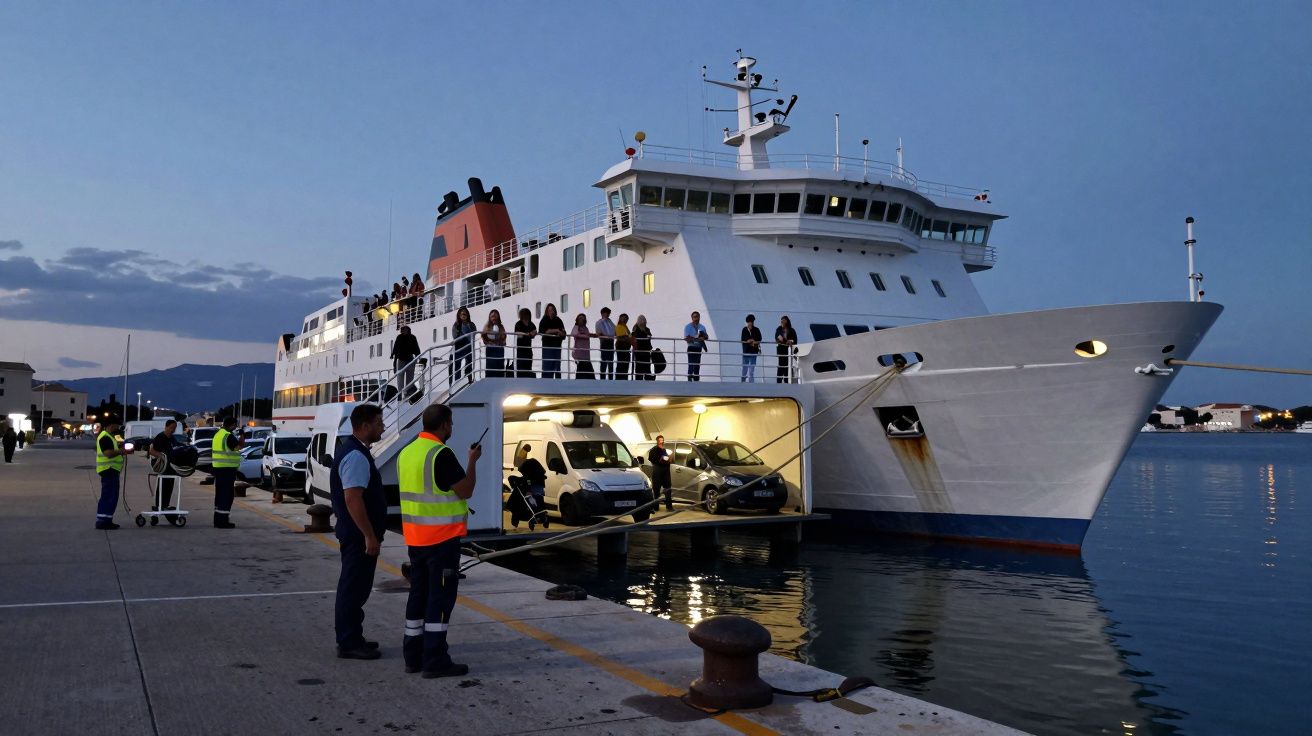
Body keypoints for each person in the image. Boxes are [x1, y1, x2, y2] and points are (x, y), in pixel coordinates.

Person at [399, 403, 480, 678]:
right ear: (445, 424)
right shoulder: (440, 454)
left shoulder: (406, 453)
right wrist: (472, 460)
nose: (452, 429)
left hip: (415, 539)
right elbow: (465, 490)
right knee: (440, 599)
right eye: (451, 424)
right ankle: (435, 659)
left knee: (418, 595)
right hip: (442, 541)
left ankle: (413, 656)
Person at [331, 403, 388, 661]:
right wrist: (369, 535)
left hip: (355, 534)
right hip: (357, 536)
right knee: (353, 589)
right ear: (365, 426)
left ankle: (353, 636)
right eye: (379, 423)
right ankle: (349, 642)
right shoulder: (355, 456)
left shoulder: (354, 451)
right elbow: (353, 499)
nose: (383, 427)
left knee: (356, 588)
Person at [94, 415, 132, 529]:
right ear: (111, 425)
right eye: (116, 425)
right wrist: (122, 451)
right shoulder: (105, 437)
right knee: (109, 496)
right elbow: (108, 453)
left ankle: (106, 519)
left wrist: (121, 447)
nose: (117, 427)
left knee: (110, 495)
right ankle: (103, 521)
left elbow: (112, 449)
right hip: (109, 470)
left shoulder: (109, 436)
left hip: (110, 470)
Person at [210, 416, 242, 528]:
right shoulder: (228, 436)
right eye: (235, 425)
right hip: (227, 469)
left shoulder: (218, 434)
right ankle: (223, 521)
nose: (236, 427)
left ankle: (217, 520)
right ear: (232, 425)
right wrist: (242, 436)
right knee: (227, 495)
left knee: (219, 495)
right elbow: (239, 447)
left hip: (218, 468)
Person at [149, 419, 180, 511]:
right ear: (166, 427)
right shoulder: (160, 437)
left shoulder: (172, 438)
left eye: (174, 428)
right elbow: (151, 451)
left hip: (170, 466)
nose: (173, 430)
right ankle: (159, 505)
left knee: (169, 484)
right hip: (162, 465)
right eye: (171, 428)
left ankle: (165, 504)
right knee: (163, 484)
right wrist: (163, 457)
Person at [514, 444, 548, 529]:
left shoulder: (525, 465)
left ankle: (537, 516)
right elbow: (543, 472)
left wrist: (528, 488)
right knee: (539, 501)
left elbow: (527, 478)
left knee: (534, 502)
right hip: (540, 484)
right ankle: (542, 516)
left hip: (533, 486)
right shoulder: (533, 462)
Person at [391, 325, 422, 399]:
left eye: (405, 330)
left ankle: (408, 393)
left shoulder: (412, 337)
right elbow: (396, 349)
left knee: (409, 378)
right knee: (400, 379)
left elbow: (416, 348)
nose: (403, 331)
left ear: (408, 330)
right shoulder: (399, 337)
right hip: (401, 360)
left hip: (410, 360)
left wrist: (418, 357)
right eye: (403, 330)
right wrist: (394, 364)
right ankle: (400, 394)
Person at [538, 304, 566, 379]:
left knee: (557, 367)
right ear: (546, 311)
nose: (551, 312)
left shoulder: (558, 320)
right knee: (547, 366)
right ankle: (546, 384)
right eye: (549, 310)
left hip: (557, 347)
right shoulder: (544, 320)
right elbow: (542, 331)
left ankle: (558, 384)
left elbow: (564, 333)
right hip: (548, 347)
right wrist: (556, 330)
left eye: (552, 310)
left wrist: (561, 333)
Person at [450, 307, 477, 385]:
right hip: (459, 347)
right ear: (459, 315)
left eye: (465, 313)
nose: (463, 315)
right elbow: (455, 336)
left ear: (467, 315)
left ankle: (469, 380)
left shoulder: (471, 325)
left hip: (469, 347)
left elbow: (474, 334)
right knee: (457, 366)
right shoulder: (456, 325)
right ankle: (457, 382)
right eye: (461, 314)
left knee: (469, 364)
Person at [647, 435, 673, 511]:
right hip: (657, 471)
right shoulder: (653, 450)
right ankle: (656, 507)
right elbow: (652, 460)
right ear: (657, 441)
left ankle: (669, 507)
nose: (662, 442)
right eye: (660, 440)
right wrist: (660, 460)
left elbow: (669, 459)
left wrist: (669, 459)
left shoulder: (665, 450)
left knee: (668, 489)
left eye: (662, 440)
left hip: (665, 472)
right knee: (656, 490)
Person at [683, 311, 709, 381]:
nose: (696, 318)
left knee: (697, 365)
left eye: (697, 317)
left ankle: (696, 381)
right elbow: (686, 338)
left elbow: (706, 337)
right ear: (692, 318)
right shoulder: (688, 327)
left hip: (698, 348)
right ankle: (689, 380)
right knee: (691, 364)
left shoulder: (702, 327)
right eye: (694, 317)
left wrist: (704, 337)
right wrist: (696, 339)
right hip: (691, 347)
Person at [482, 309, 507, 378]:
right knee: (490, 368)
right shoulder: (487, 326)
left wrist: (501, 341)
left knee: (499, 368)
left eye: (496, 316)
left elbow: (504, 337)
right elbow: (483, 337)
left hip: (499, 350)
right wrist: (489, 341)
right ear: (490, 317)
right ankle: (489, 383)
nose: (494, 318)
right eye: (492, 316)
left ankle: (500, 382)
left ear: (498, 317)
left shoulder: (501, 326)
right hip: (490, 350)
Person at [513, 308, 537, 378]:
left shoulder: (531, 324)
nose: (526, 316)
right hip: (521, 350)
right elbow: (517, 334)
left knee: (528, 368)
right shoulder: (518, 324)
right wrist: (528, 334)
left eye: (527, 314)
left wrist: (533, 333)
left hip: (528, 350)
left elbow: (535, 330)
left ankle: (528, 382)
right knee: (521, 369)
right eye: (524, 314)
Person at [570, 313, 595, 379]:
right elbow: (574, 334)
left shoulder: (585, 328)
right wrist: (585, 335)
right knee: (580, 371)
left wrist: (592, 335)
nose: (581, 320)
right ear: (577, 319)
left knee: (590, 373)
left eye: (583, 318)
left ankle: (591, 385)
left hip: (586, 354)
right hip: (579, 354)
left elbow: (587, 334)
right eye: (580, 318)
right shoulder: (576, 327)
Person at [775, 315, 798, 383]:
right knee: (781, 365)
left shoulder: (791, 330)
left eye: (784, 320)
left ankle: (786, 380)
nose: (782, 322)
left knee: (787, 366)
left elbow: (795, 340)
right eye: (782, 320)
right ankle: (779, 381)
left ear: (787, 321)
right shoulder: (779, 329)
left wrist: (791, 341)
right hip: (781, 350)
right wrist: (787, 341)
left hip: (788, 351)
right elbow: (778, 338)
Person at [595, 307, 616, 380]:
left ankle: (610, 378)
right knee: (604, 361)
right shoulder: (599, 322)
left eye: (608, 313)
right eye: (606, 313)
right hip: (604, 342)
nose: (608, 315)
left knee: (611, 362)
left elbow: (614, 330)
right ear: (602, 313)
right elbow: (599, 333)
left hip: (611, 342)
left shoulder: (610, 322)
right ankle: (602, 378)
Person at [740, 314, 762, 383]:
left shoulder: (756, 330)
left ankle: (751, 383)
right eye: (748, 322)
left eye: (751, 321)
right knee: (744, 369)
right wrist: (748, 340)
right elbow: (742, 339)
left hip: (753, 352)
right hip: (746, 351)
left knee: (751, 370)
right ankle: (743, 382)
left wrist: (754, 341)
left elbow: (760, 338)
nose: (750, 323)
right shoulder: (744, 330)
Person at [631, 315, 654, 380]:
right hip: (639, 350)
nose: (643, 322)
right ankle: (639, 379)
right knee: (639, 366)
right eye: (642, 321)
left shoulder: (647, 329)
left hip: (646, 350)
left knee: (647, 365)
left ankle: (647, 378)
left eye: (644, 321)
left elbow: (649, 335)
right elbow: (634, 336)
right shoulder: (635, 329)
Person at [614, 313, 631, 380]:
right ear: (620, 319)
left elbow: (629, 336)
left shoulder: (625, 327)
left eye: (626, 319)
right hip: (621, 347)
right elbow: (620, 337)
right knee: (621, 364)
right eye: (623, 318)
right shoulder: (619, 326)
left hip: (626, 348)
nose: (624, 320)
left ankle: (624, 377)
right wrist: (627, 338)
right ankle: (620, 378)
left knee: (625, 364)